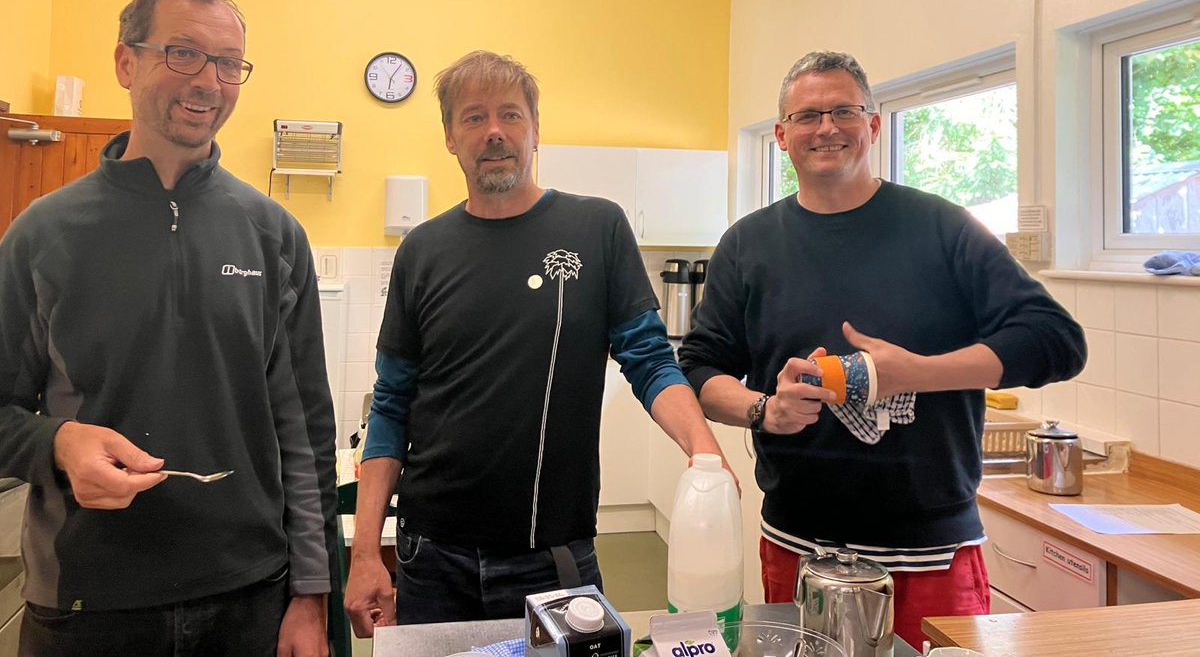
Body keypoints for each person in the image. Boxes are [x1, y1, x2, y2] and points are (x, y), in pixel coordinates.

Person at [677, 50, 1086, 647]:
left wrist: (916, 373)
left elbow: (1056, 340)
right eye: (808, 115)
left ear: (872, 124)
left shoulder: (942, 228)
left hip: (931, 549)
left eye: (844, 110)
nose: (826, 127)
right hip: (797, 544)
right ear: (781, 135)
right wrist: (764, 410)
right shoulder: (748, 243)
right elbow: (701, 366)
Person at [0, 0, 338, 657]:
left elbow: (305, 435)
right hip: (87, 605)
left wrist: (311, 597)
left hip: (250, 600)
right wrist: (59, 445)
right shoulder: (43, 235)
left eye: (228, 63)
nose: (208, 81)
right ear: (126, 61)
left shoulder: (272, 235)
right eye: (182, 53)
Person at [344, 50, 730, 633]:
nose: (494, 131)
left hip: (553, 561)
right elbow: (393, 402)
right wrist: (367, 551)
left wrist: (706, 452)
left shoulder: (596, 228)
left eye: (510, 114)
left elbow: (649, 360)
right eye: (473, 117)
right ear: (450, 136)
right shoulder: (421, 251)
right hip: (432, 558)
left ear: (535, 128)